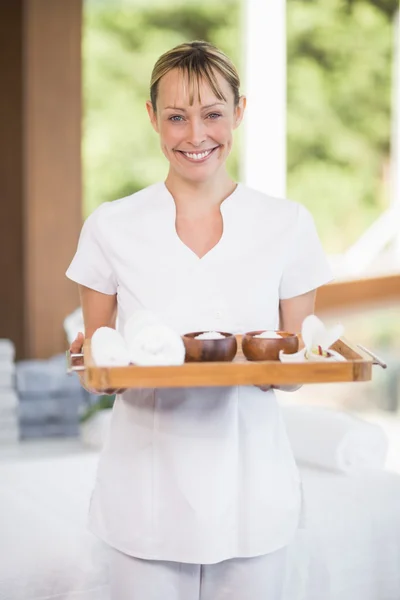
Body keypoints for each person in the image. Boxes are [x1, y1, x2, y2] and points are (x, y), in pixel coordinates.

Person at [67, 40, 332, 599]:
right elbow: (101, 355)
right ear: (152, 119)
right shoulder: (111, 225)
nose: (195, 135)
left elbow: (294, 358)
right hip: (144, 490)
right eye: (177, 117)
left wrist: (281, 367)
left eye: (213, 114)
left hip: (253, 486)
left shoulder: (286, 224)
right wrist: (94, 361)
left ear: (238, 112)